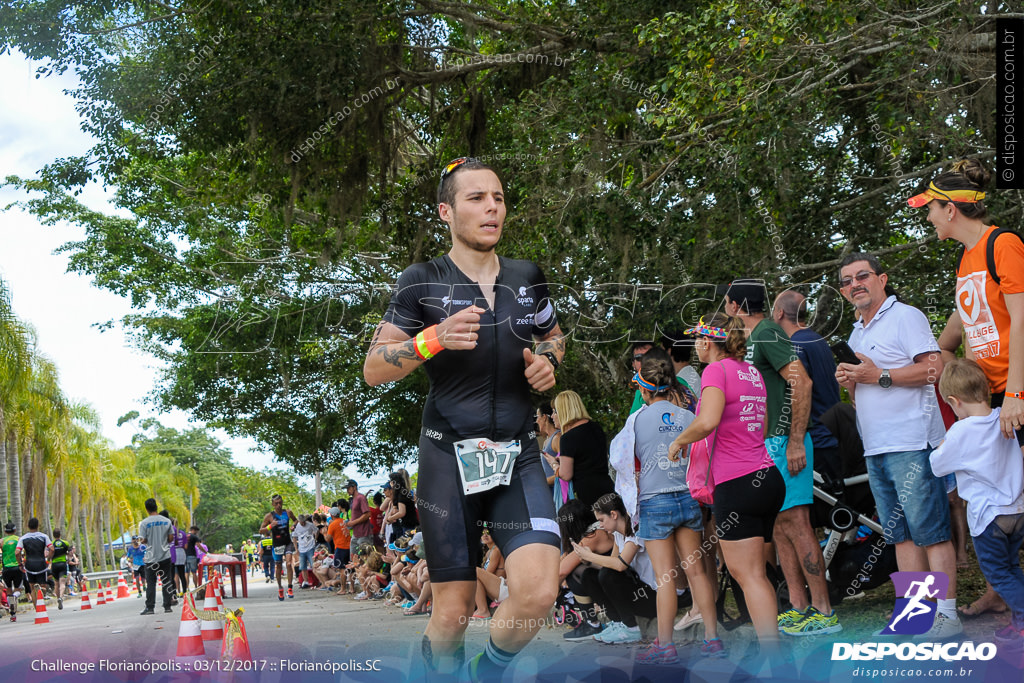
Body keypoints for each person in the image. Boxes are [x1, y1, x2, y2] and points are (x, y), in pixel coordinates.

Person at [363, 156, 564, 680]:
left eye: (497, 197)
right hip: (448, 460)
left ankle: (487, 671)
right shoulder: (421, 282)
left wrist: (550, 362)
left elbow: (553, 335)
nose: (491, 207)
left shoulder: (527, 278)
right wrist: (433, 339)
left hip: (516, 454)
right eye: (476, 198)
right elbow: (374, 369)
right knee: (451, 614)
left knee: (541, 590)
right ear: (446, 212)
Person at [910, 158, 1024, 618]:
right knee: (1002, 503)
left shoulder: (1004, 243)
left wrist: (1016, 393)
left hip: (1014, 396)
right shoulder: (965, 259)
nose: (928, 217)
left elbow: (1021, 318)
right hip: (988, 398)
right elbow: (963, 325)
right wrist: (941, 357)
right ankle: (1004, 591)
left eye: (930, 209)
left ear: (950, 209)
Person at [834, 253, 961, 638]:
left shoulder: (906, 316)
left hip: (913, 440)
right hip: (876, 446)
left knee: (931, 531)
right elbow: (867, 389)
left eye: (862, 276)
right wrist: (853, 381)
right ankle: (915, 616)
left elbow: (934, 369)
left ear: (882, 279)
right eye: (847, 281)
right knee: (900, 535)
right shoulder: (856, 332)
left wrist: (880, 375)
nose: (855, 284)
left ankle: (948, 616)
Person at [722, 280, 838, 636]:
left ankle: (824, 610)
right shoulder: (751, 339)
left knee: (798, 523)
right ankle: (799, 606)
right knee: (778, 527)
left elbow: (800, 382)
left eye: (726, 300)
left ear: (735, 304)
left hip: (785, 441)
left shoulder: (769, 331)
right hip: (763, 445)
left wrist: (796, 440)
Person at [668, 313, 786, 655]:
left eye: (698, 339)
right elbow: (760, 428)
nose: (695, 345)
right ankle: (773, 650)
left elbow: (707, 421)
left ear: (709, 341)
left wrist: (679, 442)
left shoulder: (716, 371)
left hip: (738, 482)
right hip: (766, 477)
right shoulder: (752, 373)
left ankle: (773, 658)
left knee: (749, 576)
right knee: (757, 572)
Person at [631, 348, 721, 660]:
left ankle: (665, 645)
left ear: (644, 387)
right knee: (697, 573)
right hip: (687, 499)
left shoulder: (636, 420)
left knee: (665, 578)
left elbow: (627, 467)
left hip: (655, 502)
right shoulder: (689, 417)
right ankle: (713, 638)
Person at [929, 359, 1024, 647]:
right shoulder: (1004, 418)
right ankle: (1019, 623)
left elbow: (936, 465)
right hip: (1017, 511)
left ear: (954, 402)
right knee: (1011, 567)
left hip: (987, 518)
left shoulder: (960, 431)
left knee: (999, 574)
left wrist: (944, 442)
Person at [571, 495, 659, 651]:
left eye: (602, 520)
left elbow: (620, 565)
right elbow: (610, 564)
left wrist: (590, 555)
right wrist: (586, 560)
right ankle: (619, 623)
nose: (600, 525)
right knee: (589, 575)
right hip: (637, 592)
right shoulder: (618, 534)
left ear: (613, 514)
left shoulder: (635, 531)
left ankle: (631, 628)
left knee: (608, 575)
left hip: (653, 596)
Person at [773, 290, 843, 486]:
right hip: (831, 436)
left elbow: (797, 390)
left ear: (779, 313)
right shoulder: (818, 341)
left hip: (813, 442)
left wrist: (794, 442)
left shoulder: (794, 345)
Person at [557, 499, 615, 642]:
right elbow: (563, 559)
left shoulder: (593, 536)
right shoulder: (593, 530)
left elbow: (561, 571)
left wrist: (550, 593)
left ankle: (592, 623)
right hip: (611, 580)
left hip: (617, 583)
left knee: (574, 572)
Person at [554, 390, 614, 508]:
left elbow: (566, 475)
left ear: (563, 411)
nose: (553, 415)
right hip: (607, 487)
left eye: (555, 411)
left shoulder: (567, 438)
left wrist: (554, 466)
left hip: (588, 494)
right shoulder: (596, 427)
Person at [138, 499, 174, 615]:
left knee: (151, 583)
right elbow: (170, 539)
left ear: (146, 509)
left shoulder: (144, 523)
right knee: (166, 581)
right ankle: (167, 606)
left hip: (151, 558)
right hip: (165, 556)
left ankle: (150, 608)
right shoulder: (167, 521)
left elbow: (142, 540)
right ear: (156, 507)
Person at [260, 494, 298, 601]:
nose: (278, 505)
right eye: (276, 503)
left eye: (280, 503)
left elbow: (295, 520)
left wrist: (293, 526)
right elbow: (261, 530)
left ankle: (290, 588)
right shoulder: (269, 516)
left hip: (287, 542)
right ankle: (280, 588)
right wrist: (270, 526)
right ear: (272, 504)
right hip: (277, 544)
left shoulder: (288, 512)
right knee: (278, 565)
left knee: (289, 563)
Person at [16, 517, 52, 602]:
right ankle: (41, 596)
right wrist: (48, 560)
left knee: (31, 587)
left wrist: (20, 564)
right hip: (41, 564)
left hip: (29, 565)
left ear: (28, 526)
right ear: (37, 526)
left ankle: (37, 609)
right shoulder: (44, 536)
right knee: (43, 585)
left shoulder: (23, 538)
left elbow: (17, 552)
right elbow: (52, 549)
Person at [326, 505, 353, 592]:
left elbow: (328, 538)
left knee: (342, 569)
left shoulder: (332, 524)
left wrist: (323, 533)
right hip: (349, 547)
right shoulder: (345, 521)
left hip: (340, 548)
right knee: (351, 568)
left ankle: (343, 589)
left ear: (332, 515)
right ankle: (352, 588)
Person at [1, 521, 23, 621]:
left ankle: (13, 614)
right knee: (18, 589)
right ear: (15, 530)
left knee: (8, 589)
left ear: (5, 531)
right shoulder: (19, 539)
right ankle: (15, 596)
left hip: (6, 569)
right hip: (17, 567)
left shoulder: (1, 541)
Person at [345, 479, 375, 552]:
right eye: (346, 488)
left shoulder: (360, 498)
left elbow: (367, 514)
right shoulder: (354, 499)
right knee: (353, 558)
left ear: (354, 487)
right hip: (356, 534)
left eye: (349, 488)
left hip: (364, 533)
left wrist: (353, 522)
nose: (347, 490)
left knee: (365, 557)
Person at [536, 401, 559, 493]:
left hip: (559, 493)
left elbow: (565, 472)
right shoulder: (546, 441)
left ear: (544, 417)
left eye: (537, 417)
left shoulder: (557, 438)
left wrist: (541, 483)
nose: (537, 421)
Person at [628, 341, 656, 413]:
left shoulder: (676, 383)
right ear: (633, 364)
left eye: (649, 356)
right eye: (639, 358)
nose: (645, 361)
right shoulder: (639, 390)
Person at [50, 529, 72, 610]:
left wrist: (49, 559)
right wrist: (68, 559)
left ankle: (57, 598)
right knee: (62, 583)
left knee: (56, 583)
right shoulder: (65, 543)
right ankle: (61, 597)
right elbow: (69, 552)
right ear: (60, 534)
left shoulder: (51, 544)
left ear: (53, 535)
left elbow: (50, 553)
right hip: (62, 564)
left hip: (54, 564)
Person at [293, 514, 317, 588]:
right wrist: (296, 548)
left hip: (310, 547)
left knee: (313, 564)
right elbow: (294, 537)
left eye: (304, 522)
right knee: (303, 566)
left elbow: (317, 530)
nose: (303, 524)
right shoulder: (297, 527)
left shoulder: (310, 525)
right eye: (301, 522)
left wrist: (315, 539)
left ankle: (317, 580)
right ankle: (306, 581)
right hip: (302, 548)